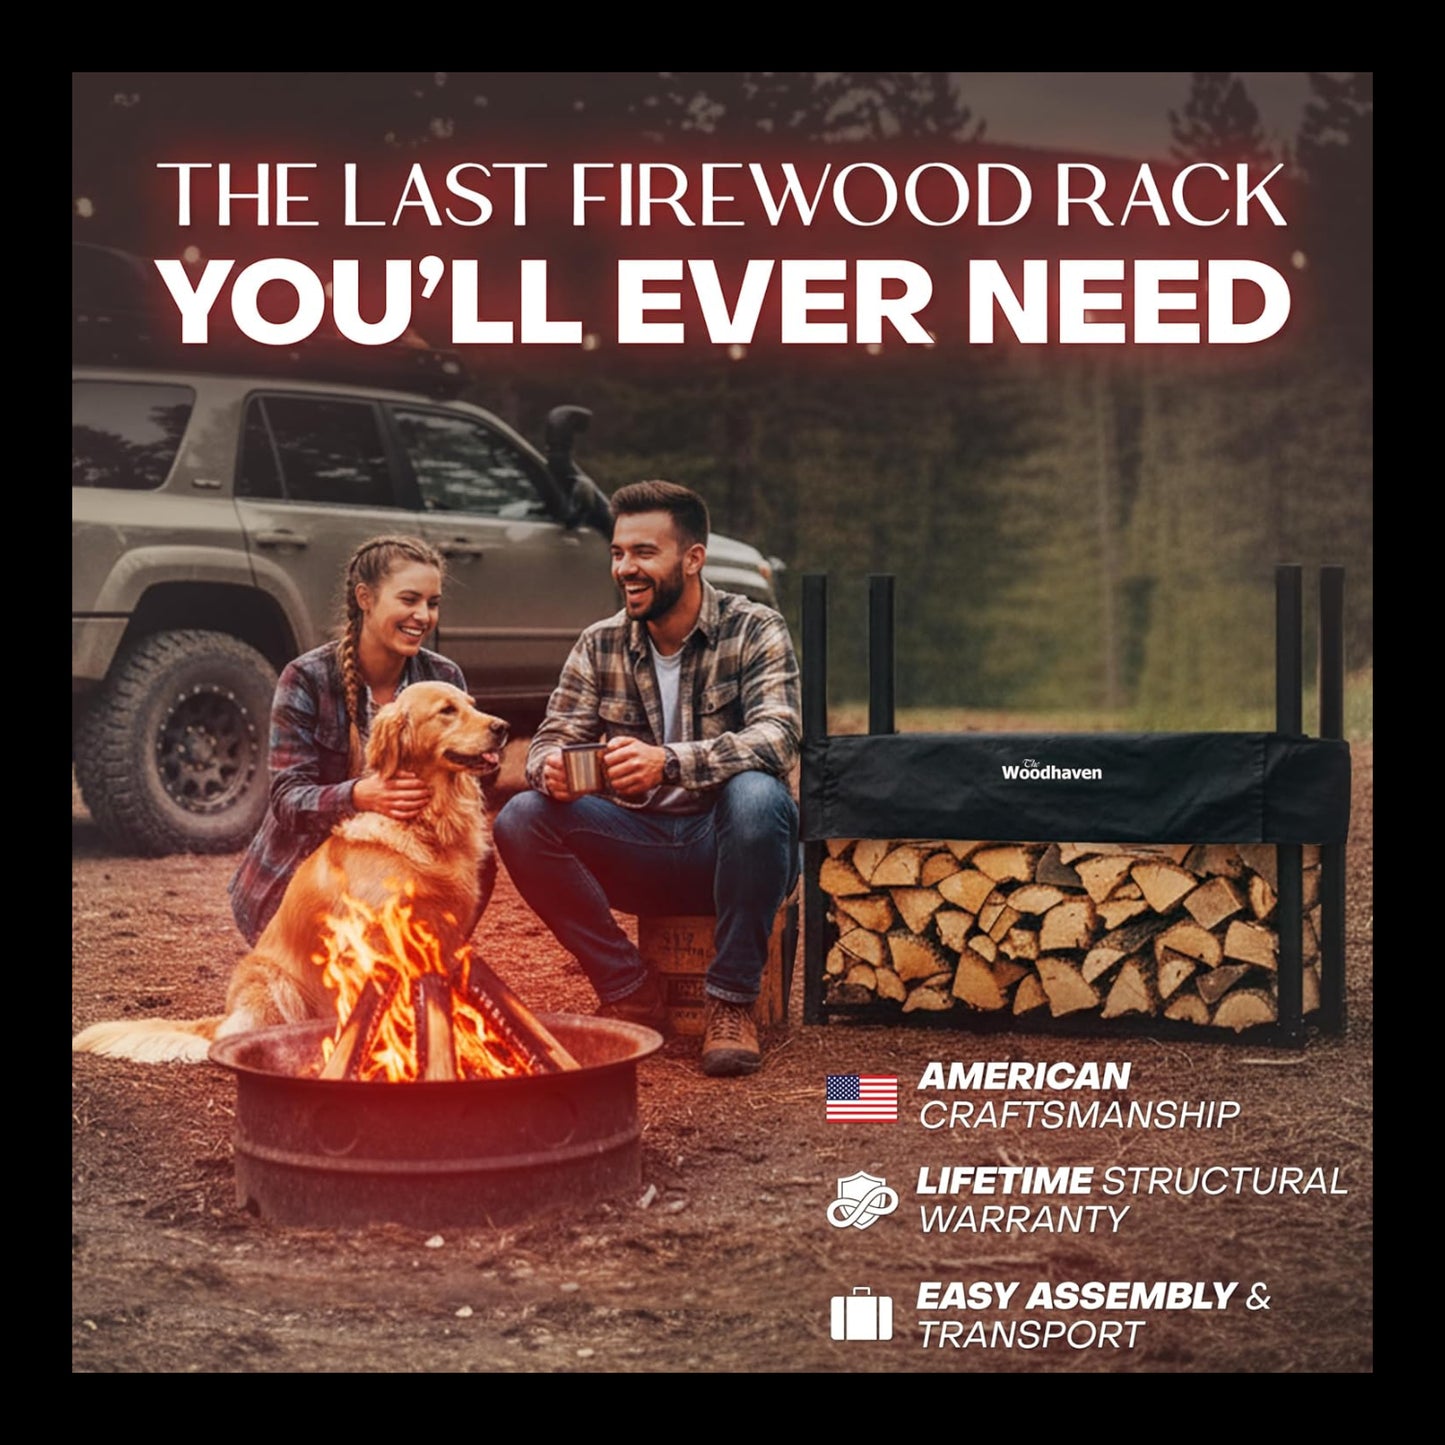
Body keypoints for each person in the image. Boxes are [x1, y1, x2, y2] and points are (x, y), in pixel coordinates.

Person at [493, 480, 801, 1078]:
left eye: (644, 553)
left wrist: (669, 761)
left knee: (758, 794)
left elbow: (780, 736)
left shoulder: (755, 628)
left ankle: (732, 1002)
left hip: (734, 851)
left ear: (693, 558)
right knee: (521, 817)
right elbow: (550, 738)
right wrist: (551, 769)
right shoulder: (599, 643)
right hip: (641, 848)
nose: (626, 569)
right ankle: (631, 990)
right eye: (618, 553)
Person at [228, 534, 491, 947]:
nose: (422, 615)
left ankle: (418, 969)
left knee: (475, 857)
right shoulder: (307, 678)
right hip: (299, 892)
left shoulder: (443, 678)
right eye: (408, 600)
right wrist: (360, 796)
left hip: (400, 865)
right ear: (365, 598)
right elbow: (286, 799)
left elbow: (465, 784)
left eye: (433, 603)